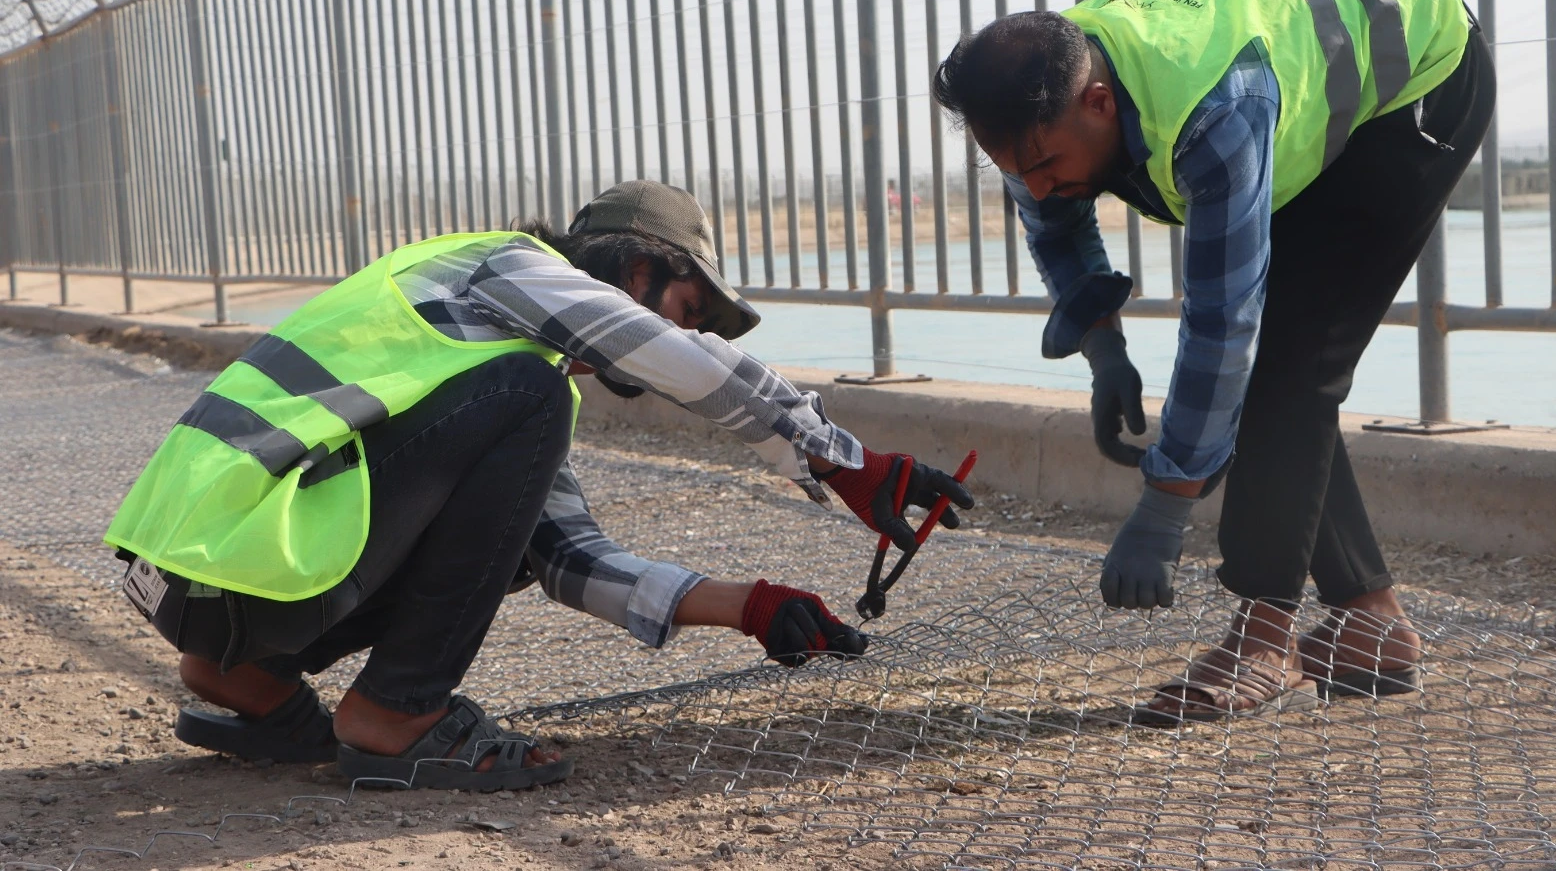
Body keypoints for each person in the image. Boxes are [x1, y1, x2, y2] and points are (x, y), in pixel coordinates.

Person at [106, 180, 973, 788]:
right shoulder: (504, 270)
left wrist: (749, 607)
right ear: (638, 271)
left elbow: (562, 556)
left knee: (530, 433)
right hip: (233, 553)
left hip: (194, 573)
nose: (684, 330)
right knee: (534, 396)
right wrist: (842, 460)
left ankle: (244, 678)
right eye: (687, 306)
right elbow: (659, 353)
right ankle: (396, 717)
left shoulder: (488, 360)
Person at [932, 0, 1494, 722]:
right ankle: (1373, 625)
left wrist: (1166, 505)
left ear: (1098, 103)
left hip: (1417, 78)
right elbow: (1056, 225)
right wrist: (1103, 348)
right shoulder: (1040, 94)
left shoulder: (1215, 109)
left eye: (1045, 162)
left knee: (1294, 361)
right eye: (1014, 171)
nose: (1036, 184)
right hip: (1295, 65)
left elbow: (1225, 326)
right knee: (1283, 363)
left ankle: (1266, 637)